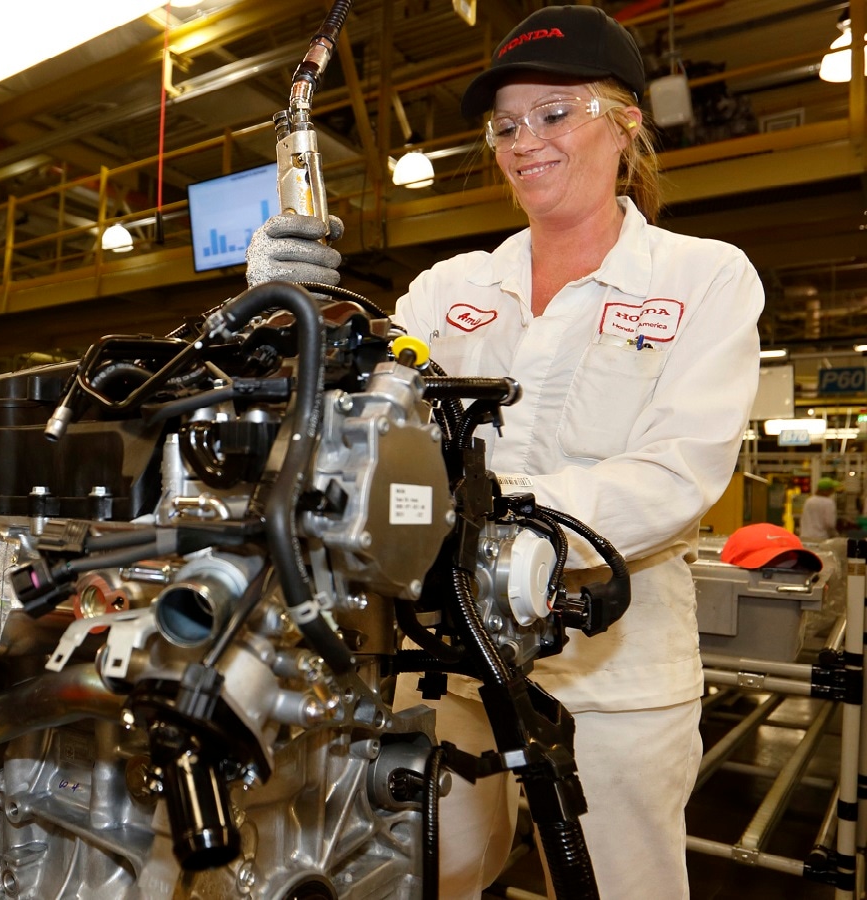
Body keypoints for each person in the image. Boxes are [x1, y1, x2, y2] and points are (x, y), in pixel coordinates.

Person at [246, 7, 762, 898]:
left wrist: (499, 521)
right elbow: (352, 416)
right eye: (506, 125)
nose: (526, 142)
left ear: (626, 121)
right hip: (447, 661)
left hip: (616, 671)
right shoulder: (450, 286)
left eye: (555, 114)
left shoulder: (702, 276)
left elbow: (678, 471)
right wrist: (281, 309)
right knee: (420, 874)